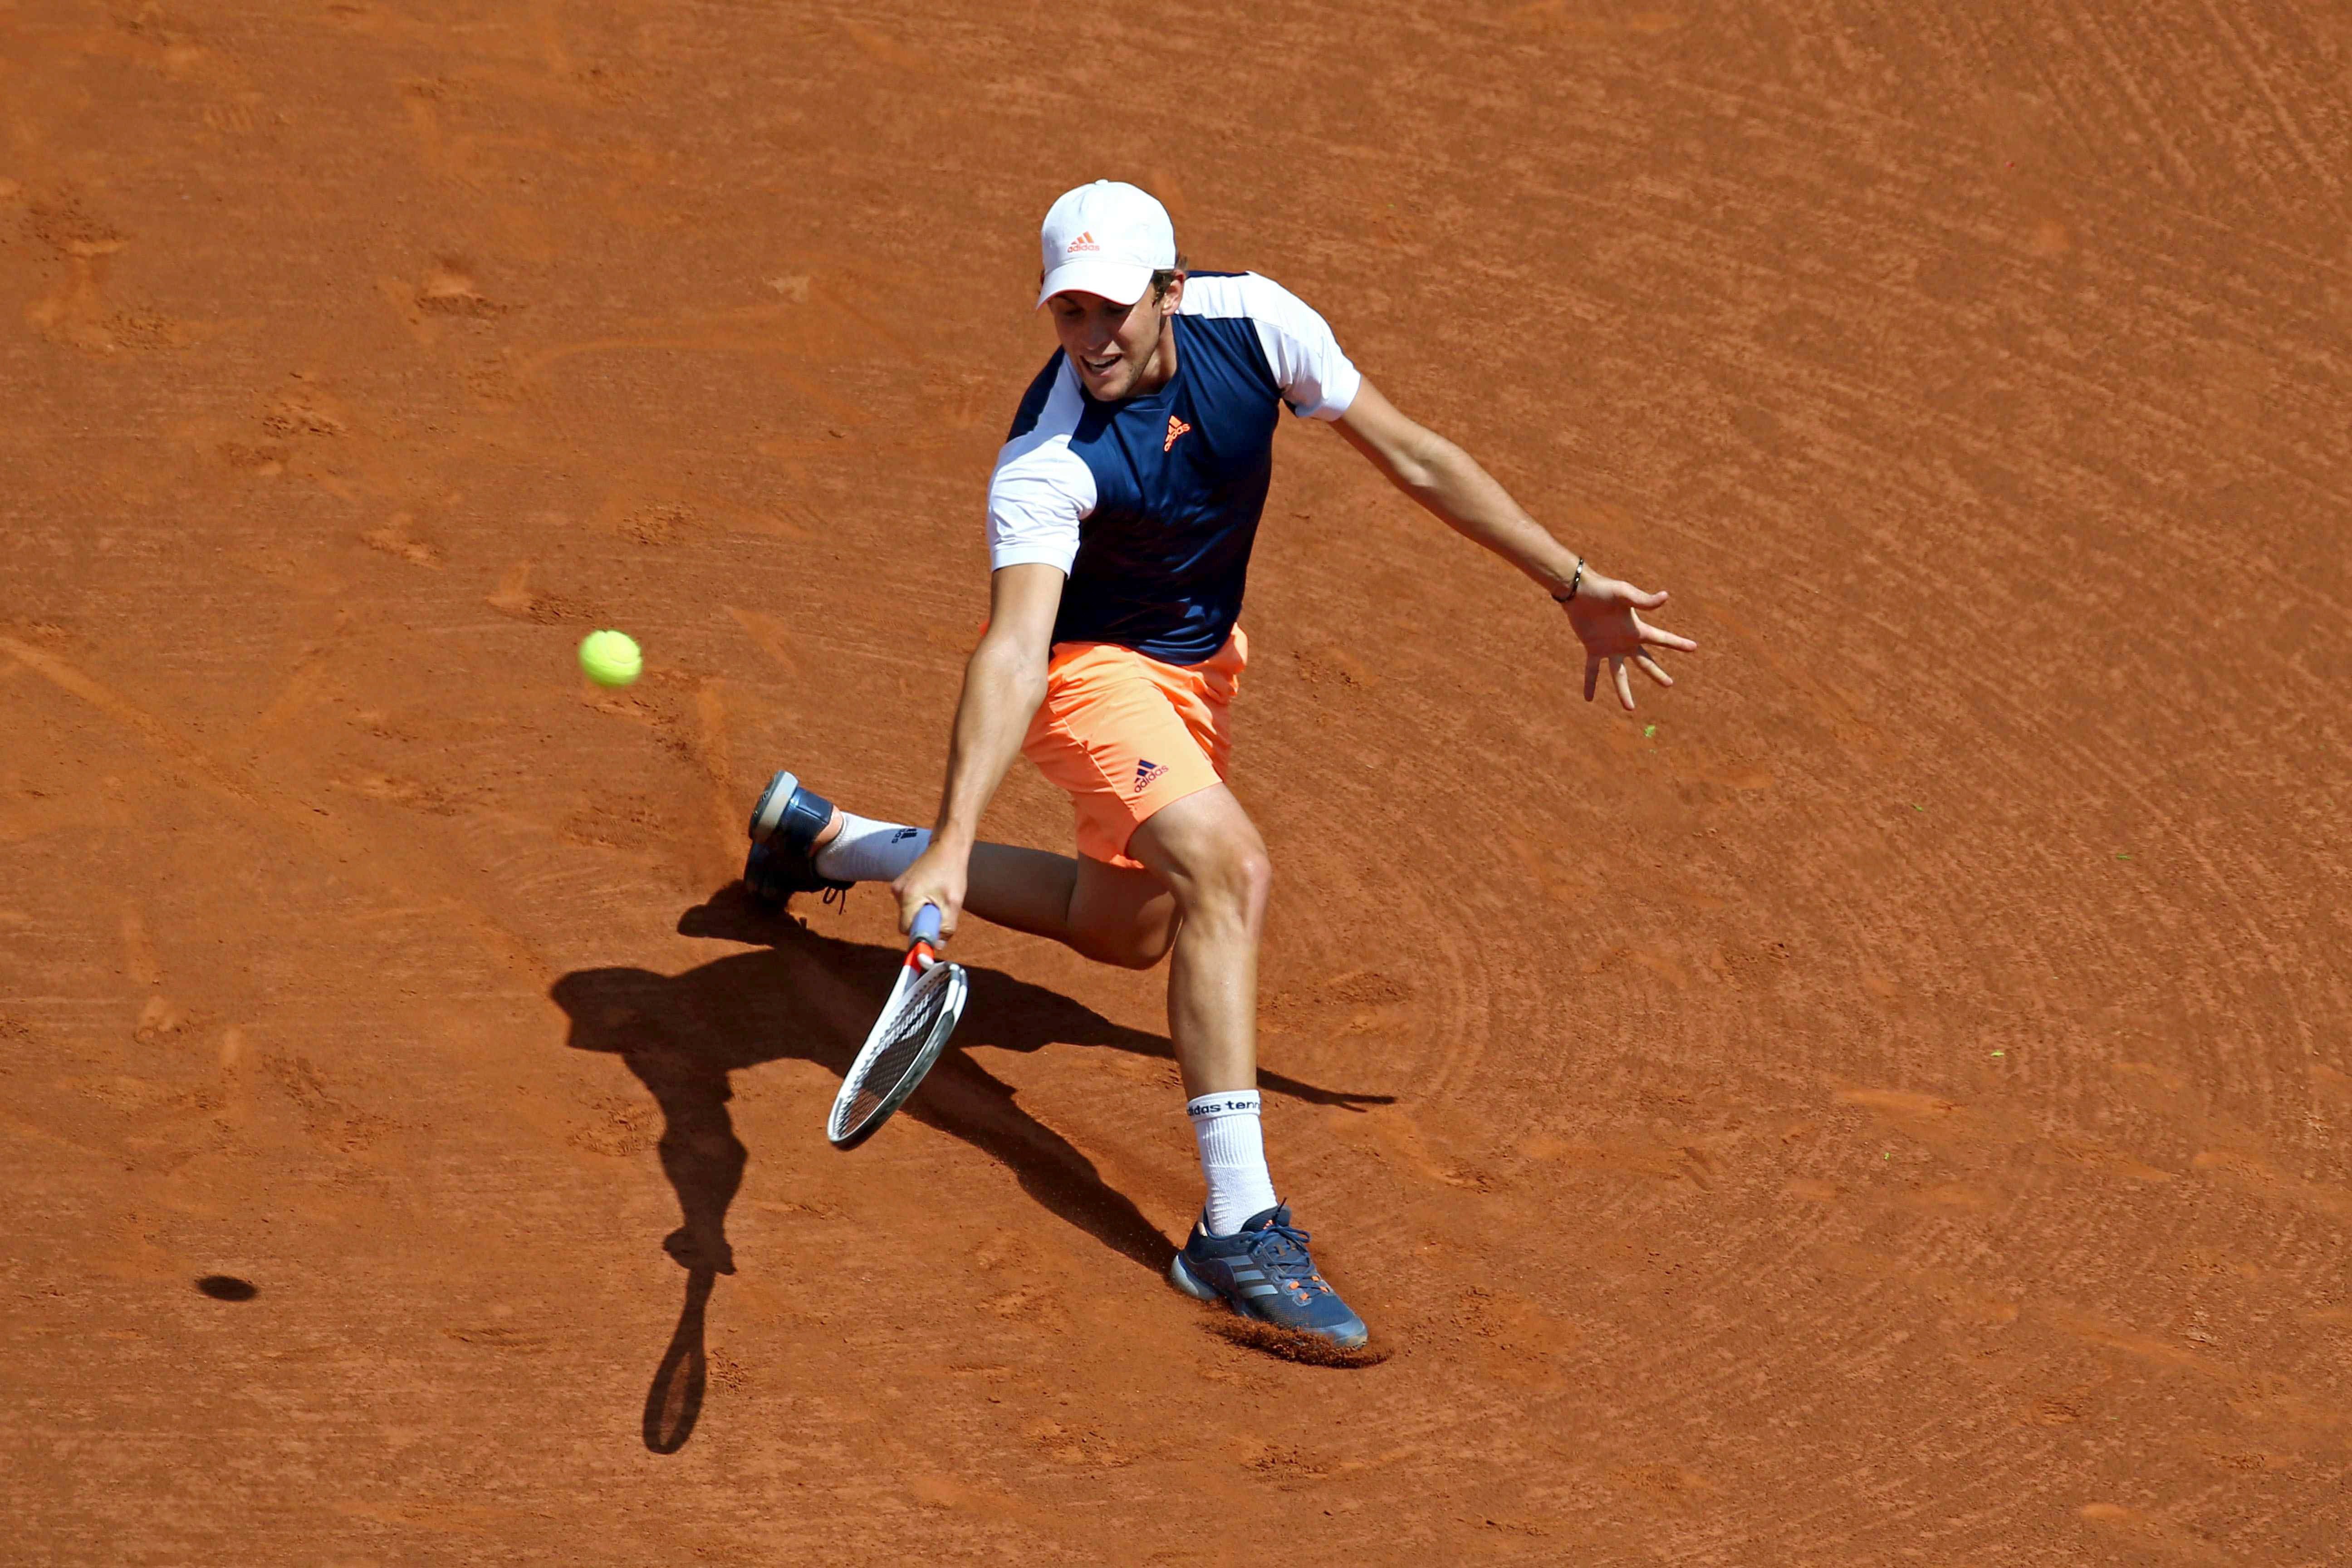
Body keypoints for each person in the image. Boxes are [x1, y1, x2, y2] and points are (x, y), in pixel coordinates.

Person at [745, 179, 1693, 1349]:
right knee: (1230, 871)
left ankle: (825, 838)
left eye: (1113, 311)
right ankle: (1236, 1230)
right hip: (1089, 671)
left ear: (1171, 293)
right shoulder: (1049, 457)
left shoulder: (1259, 326)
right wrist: (958, 829)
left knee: (1131, 929)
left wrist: (1569, 578)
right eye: (1067, 315)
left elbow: (1415, 458)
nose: (1092, 339)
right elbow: (1012, 652)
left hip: (1199, 670)